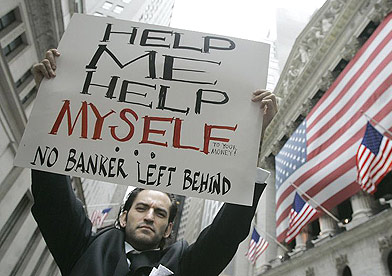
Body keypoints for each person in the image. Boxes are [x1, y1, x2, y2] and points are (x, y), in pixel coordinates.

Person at [31, 49, 278, 276]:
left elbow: (228, 232)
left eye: (160, 213)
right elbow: (52, 199)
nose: (149, 216)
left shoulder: (185, 264)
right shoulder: (82, 246)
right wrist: (48, 101)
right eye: (142, 208)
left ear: (169, 229)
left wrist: (251, 138)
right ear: (123, 217)